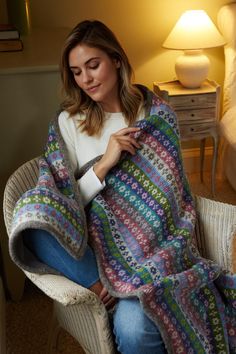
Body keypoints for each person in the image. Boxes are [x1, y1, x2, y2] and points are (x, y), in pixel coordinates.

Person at [22, 20, 167, 353]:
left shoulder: (153, 113)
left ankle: (123, 292)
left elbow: (171, 200)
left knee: (134, 331)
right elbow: (64, 201)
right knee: (33, 219)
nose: (85, 79)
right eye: (76, 71)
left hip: (147, 249)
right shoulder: (69, 121)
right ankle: (105, 287)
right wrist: (103, 165)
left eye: (93, 65)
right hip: (93, 246)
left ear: (116, 59)